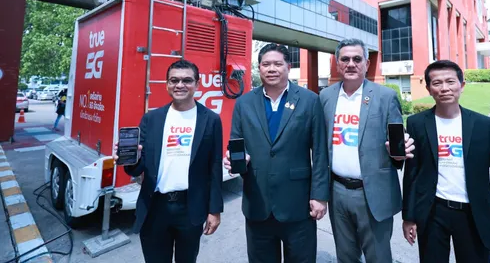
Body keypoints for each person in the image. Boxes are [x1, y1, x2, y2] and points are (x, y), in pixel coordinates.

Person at [402, 60, 490, 263]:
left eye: (450, 81)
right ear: (429, 89)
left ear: (462, 85)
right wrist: (408, 216)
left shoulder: (484, 125)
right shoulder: (417, 123)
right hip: (432, 212)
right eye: (437, 83)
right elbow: (412, 173)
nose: (444, 88)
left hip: (473, 214)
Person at [223, 43, 329, 263]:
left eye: (277, 64)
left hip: (298, 204)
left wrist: (319, 196)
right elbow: (236, 142)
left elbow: (320, 152)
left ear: (288, 67)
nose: (271, 69)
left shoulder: (309, 100)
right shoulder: (244, 103)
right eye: (266, 64)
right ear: (259, 68)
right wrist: (235, 159)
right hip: (257, 203)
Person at [113, 59, 223, 263]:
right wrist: (129, 159)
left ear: (197, 84)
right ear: (167, 84)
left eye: (187, 80)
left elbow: (215, 167)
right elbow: (136, 169)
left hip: (191, 208)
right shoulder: (151, 119)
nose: (180, 85)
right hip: (155, 207)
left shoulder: (211, 119)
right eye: (174, 80)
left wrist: (214, 210)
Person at [318, 38, 415, 263]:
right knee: (345, 256)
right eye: (345, 59)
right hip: (337, 191)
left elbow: (397, 144)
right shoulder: (325, 97)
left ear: (367, 63)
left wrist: (399, 151)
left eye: (357, 59)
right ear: (337, 64)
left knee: (378, 257)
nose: (351, 64)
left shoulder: (385, 96)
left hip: (373, 193)